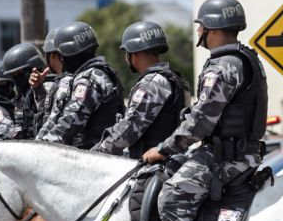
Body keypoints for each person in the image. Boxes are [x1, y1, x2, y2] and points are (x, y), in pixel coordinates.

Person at [140, 0, 268, 221]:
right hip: (241, 152)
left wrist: (164, 148)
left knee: (171, 196)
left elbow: (201, 123)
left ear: (210, 28)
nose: (198, 31)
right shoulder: (243, 58)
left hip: (226, 157)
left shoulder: (223, 65)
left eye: (200, 25)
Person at [91, 21, 190, 157]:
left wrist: (96, 153)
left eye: (126, 52)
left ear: (133, 53)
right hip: (169, 161)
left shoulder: (152, 83)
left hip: (152, 165)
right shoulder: (175, 78)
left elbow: (129, 128)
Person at [37, 21, 124, 149]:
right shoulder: (92, 74)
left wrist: (40, 149)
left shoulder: (90, 79)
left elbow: (70, 123)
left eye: (62, 55)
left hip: (94, 158)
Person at [2, 43, 48, 140]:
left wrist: (39, 88)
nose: (16, 77)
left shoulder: (47, 88)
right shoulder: (20, 98)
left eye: (19, 73)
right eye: (13, 74)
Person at [34, 29, 72, 137]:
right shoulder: (59, 82)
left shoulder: (68, 82)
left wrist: (37, 146)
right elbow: (47, 113)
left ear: (52, 55)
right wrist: (38, 88)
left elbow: (53, 122)